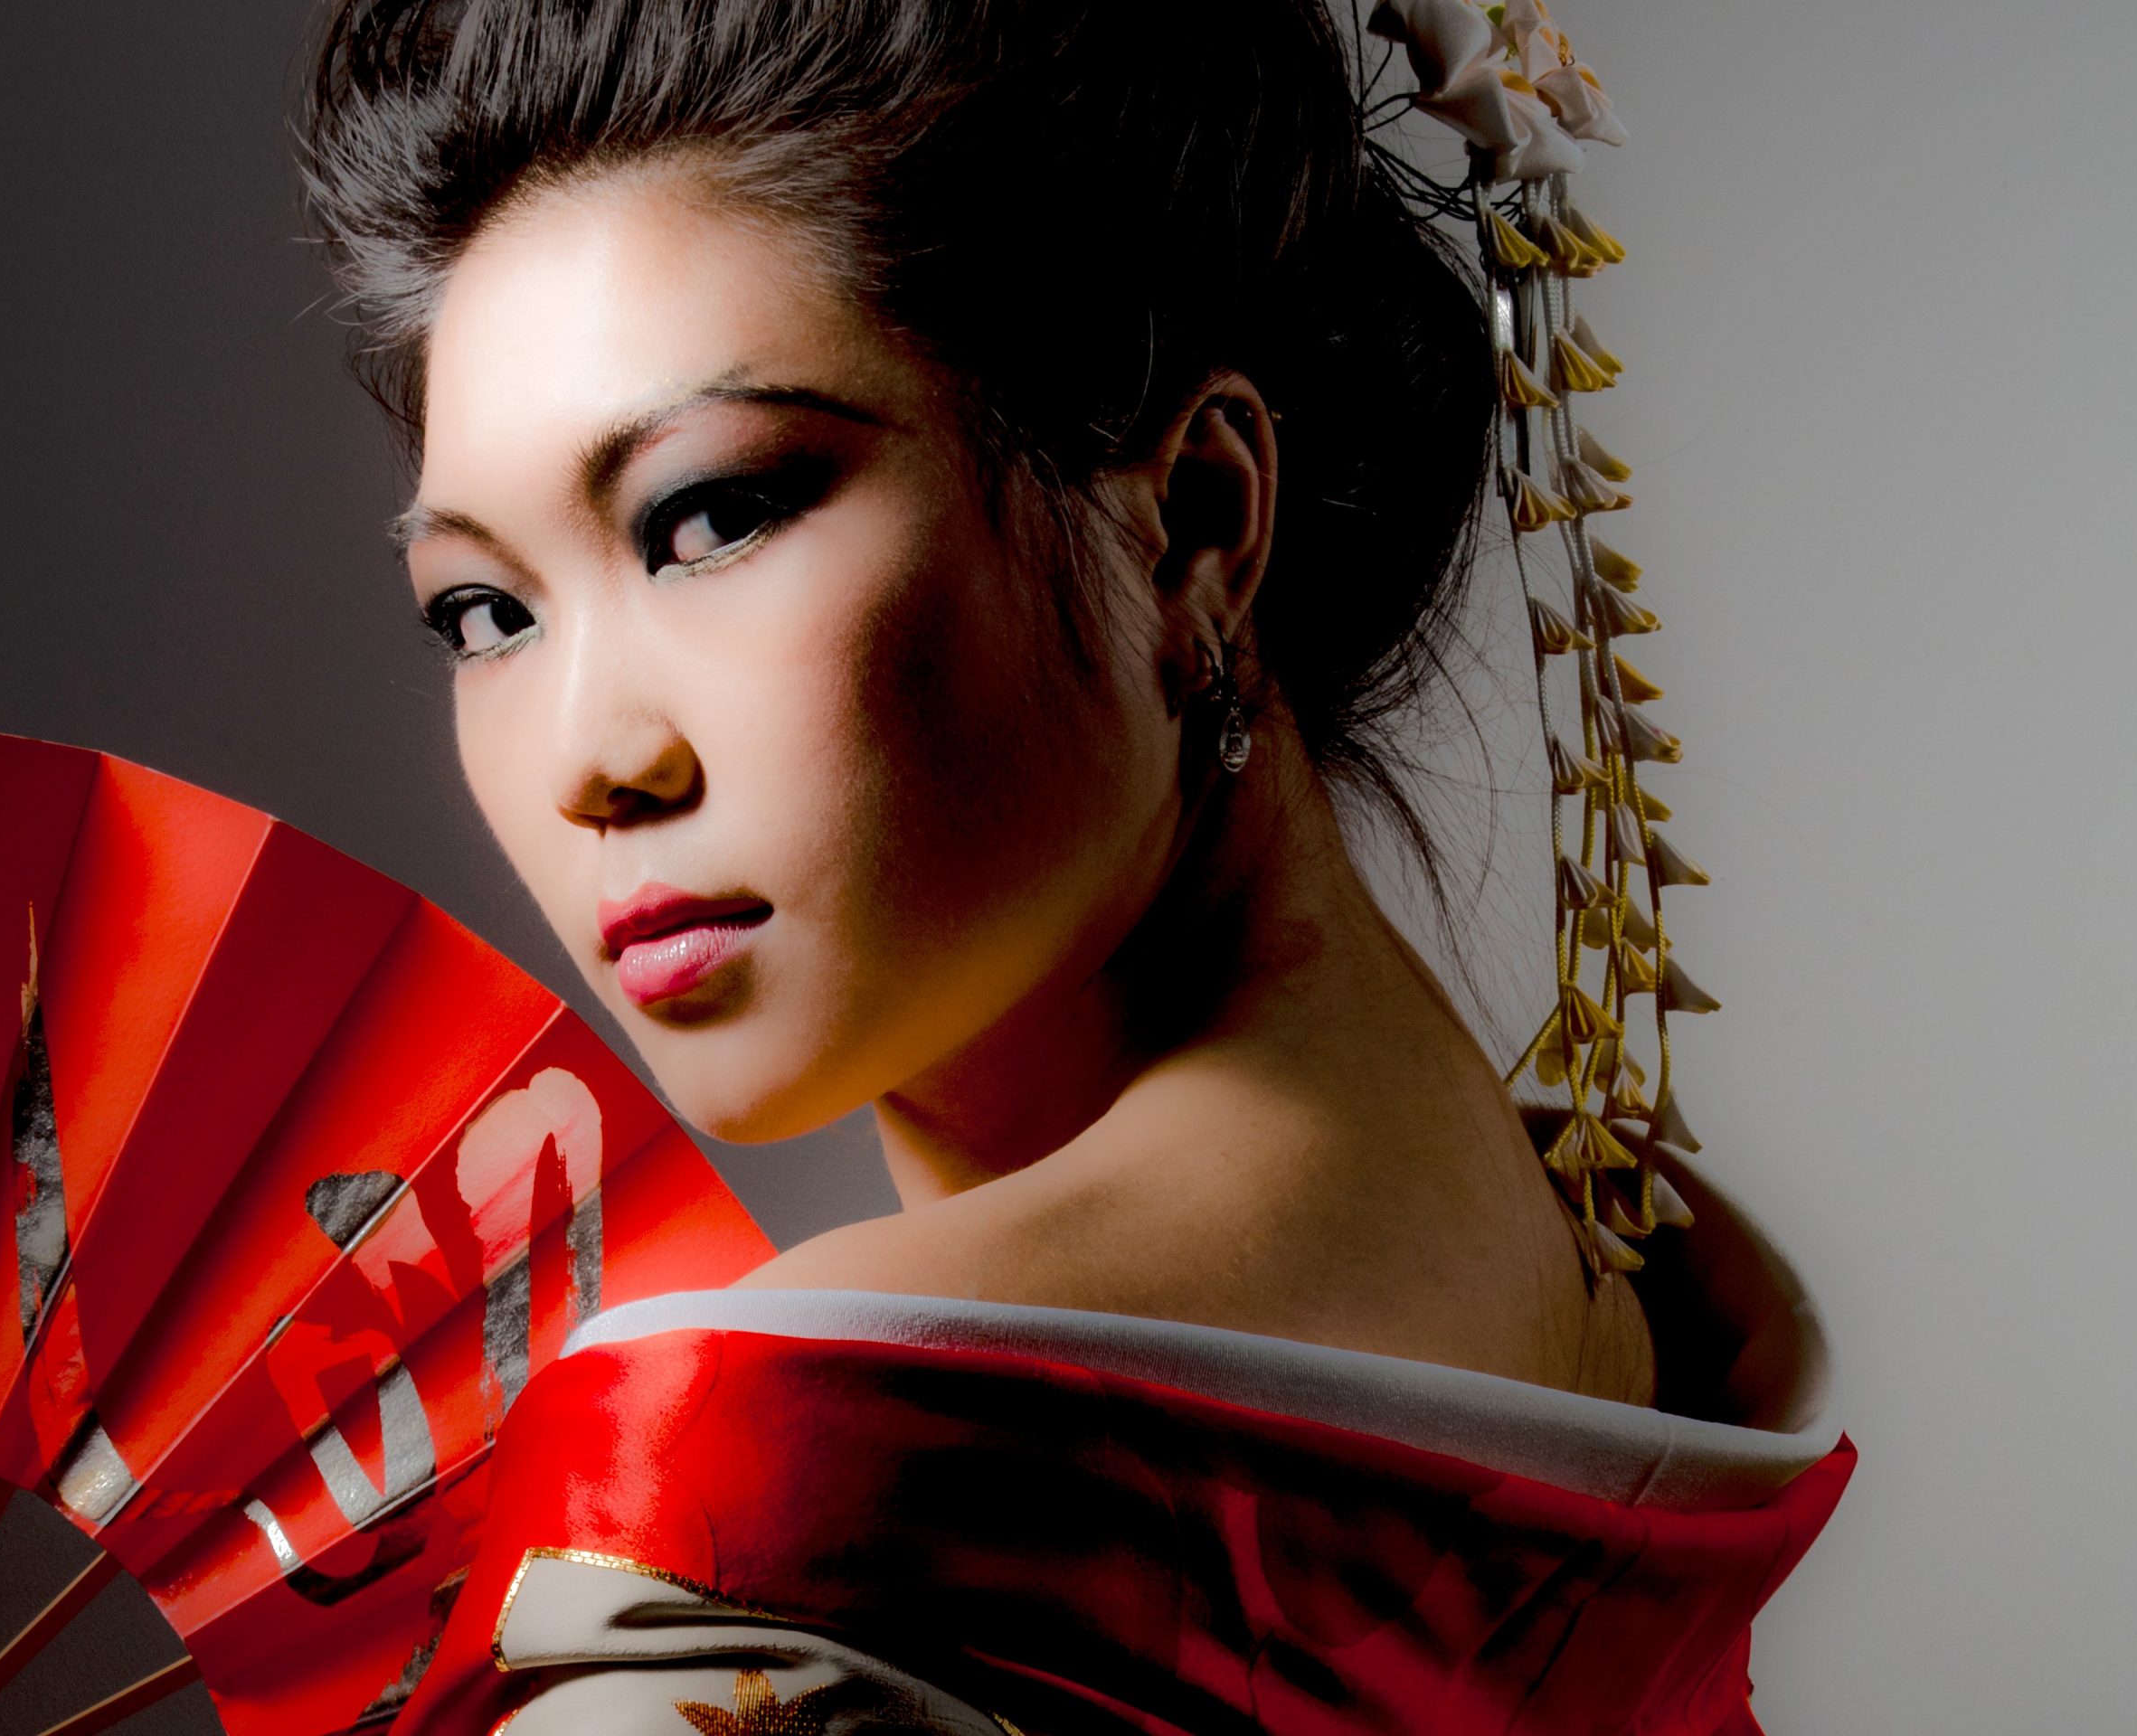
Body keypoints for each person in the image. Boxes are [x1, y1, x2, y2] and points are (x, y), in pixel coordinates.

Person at [294, 0, 1850, 1729]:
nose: (592, 759)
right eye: (485, 612)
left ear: (1189, 519)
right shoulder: (1611, 1266)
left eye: (714, 514)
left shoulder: (758, 1497)